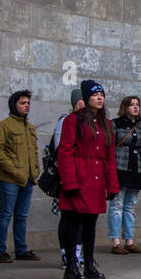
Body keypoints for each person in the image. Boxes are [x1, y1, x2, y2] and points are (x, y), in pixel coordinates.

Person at [56, 80, 118, 279]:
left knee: (90, 225)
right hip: (79, 178)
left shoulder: (106, 124)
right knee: (73, 224)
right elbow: (64, 153)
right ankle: (72, 266)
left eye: (102, 94)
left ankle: (89, 263)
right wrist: (70, 182)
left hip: (96, 181)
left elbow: (109, 157)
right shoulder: (73, 121)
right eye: (95, 94)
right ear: (85, 97)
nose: (100, 98)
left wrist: (113, 184)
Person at [0, 89, 40, 263]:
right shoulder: (3, 126)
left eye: (28, 103)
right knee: (5, 214)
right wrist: (14, 170)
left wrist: (35, 169)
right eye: (22, 103)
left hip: (27, 179)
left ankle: (21, 249)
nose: (27, 106)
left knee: (22, 216)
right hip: (9, 179)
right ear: (14, 105)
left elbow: (34, 151)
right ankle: (0, 251)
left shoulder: (30, 127)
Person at [109, 95, 141, 255]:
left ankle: (129, 240)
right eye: (132, 105)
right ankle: (115, 241)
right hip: (120, 168)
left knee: (131, 206)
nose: (135, 107)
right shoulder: (115, 124)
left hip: (137, 169)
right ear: (125, 107)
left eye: (137, 105)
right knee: (117, 205)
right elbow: (109, 148)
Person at [52, 88, 85, 267]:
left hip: (82, 178)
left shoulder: (88, 122)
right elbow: (61, 152)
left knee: (80, 218)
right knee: (68, 218)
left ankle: (77, 253)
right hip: (67, 178)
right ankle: (67, 253)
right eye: (81, 100)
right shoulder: (65, 121)